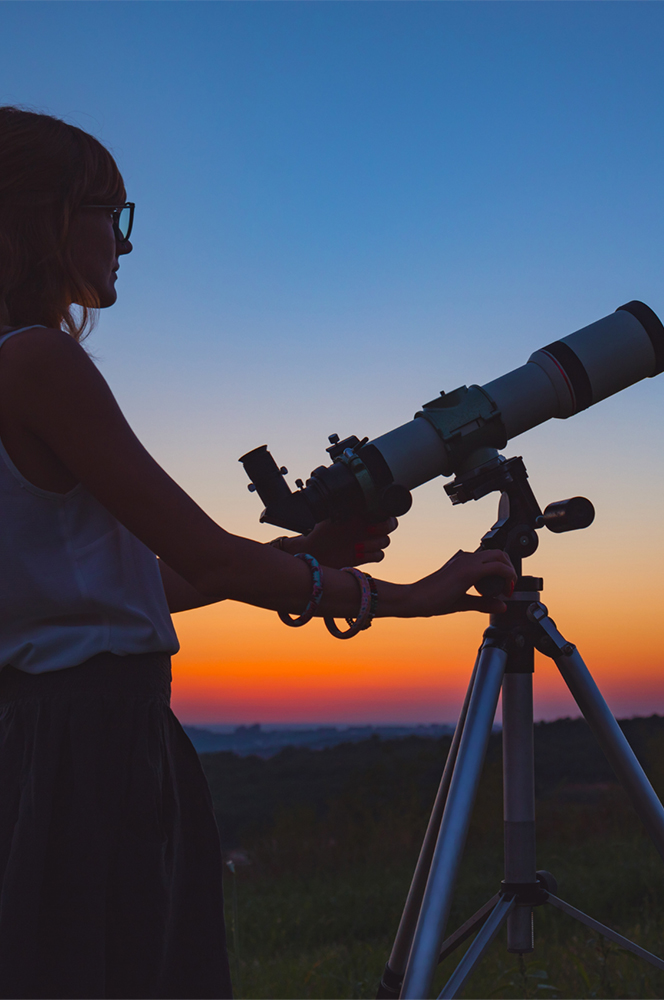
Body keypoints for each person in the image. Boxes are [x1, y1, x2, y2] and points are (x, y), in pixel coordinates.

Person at [0, 106, 515, 1000]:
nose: (125, 244)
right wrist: (411, 595)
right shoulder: (40, 363)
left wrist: (300, 550)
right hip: (98, 742)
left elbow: (115, 586)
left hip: (35, 736)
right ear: (44, 217)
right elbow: (219, 561)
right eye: (111, 215)